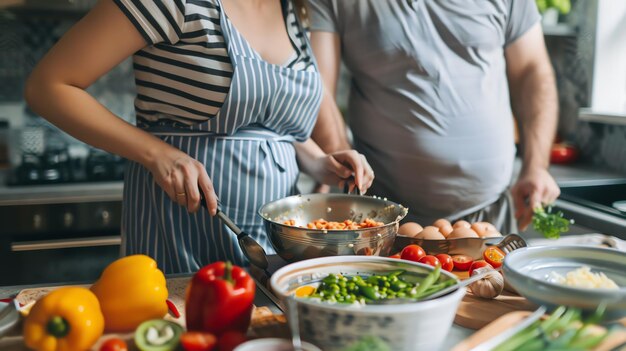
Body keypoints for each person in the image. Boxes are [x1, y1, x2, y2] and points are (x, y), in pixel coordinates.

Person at [24, 0, 374, 273]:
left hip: (269, 244)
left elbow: (268, 121)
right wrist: (156, 154)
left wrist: (317, 162)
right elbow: (48, 87)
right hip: (179, 228)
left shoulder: (293, 10)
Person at [307, 0, 561, 233]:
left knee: (492, 284)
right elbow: (318, 88)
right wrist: (346, 174)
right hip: (384, 218)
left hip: (491, 215)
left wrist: (536, 166)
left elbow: (532, 70)